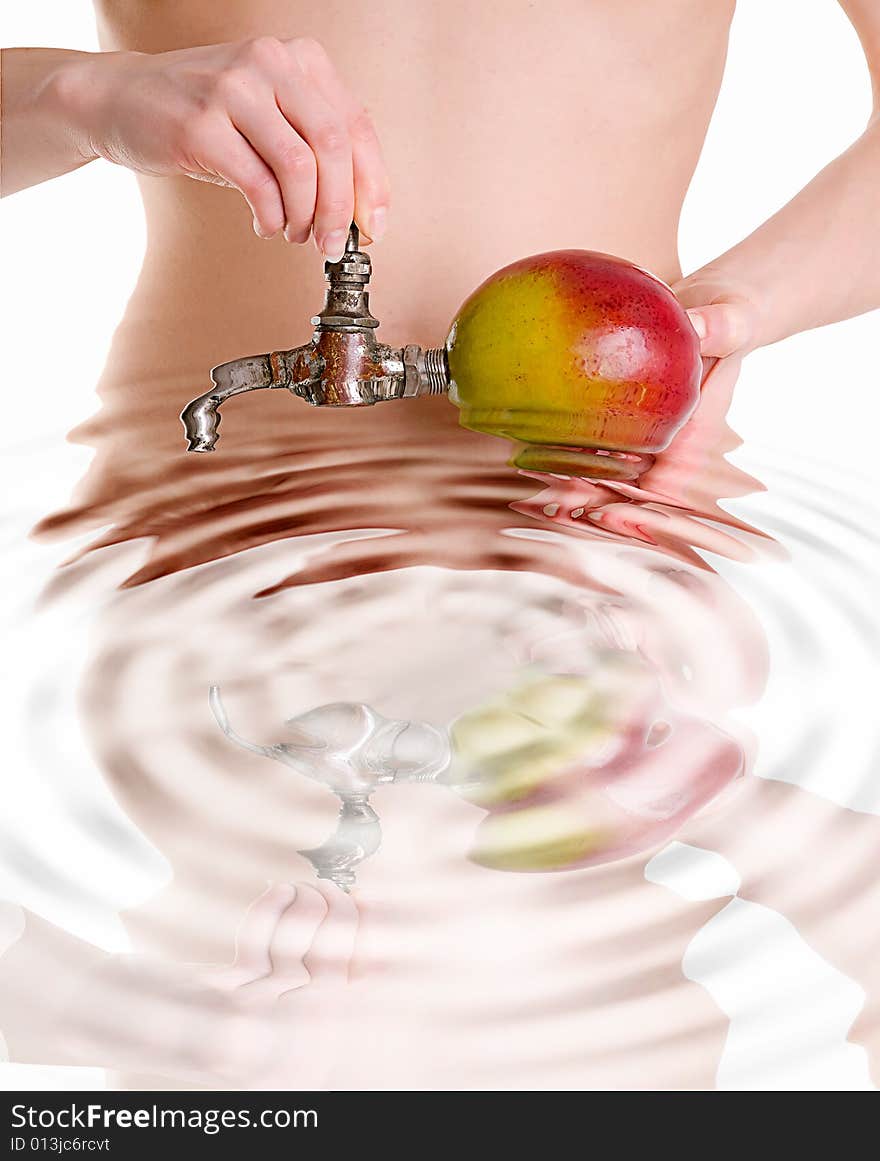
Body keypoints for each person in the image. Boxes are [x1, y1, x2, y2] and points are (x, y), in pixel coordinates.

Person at [1, 1, 878, 1090]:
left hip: (606, 573)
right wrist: (73, 97)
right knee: (268, 1044)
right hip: (225, 585)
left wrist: (724, 317)